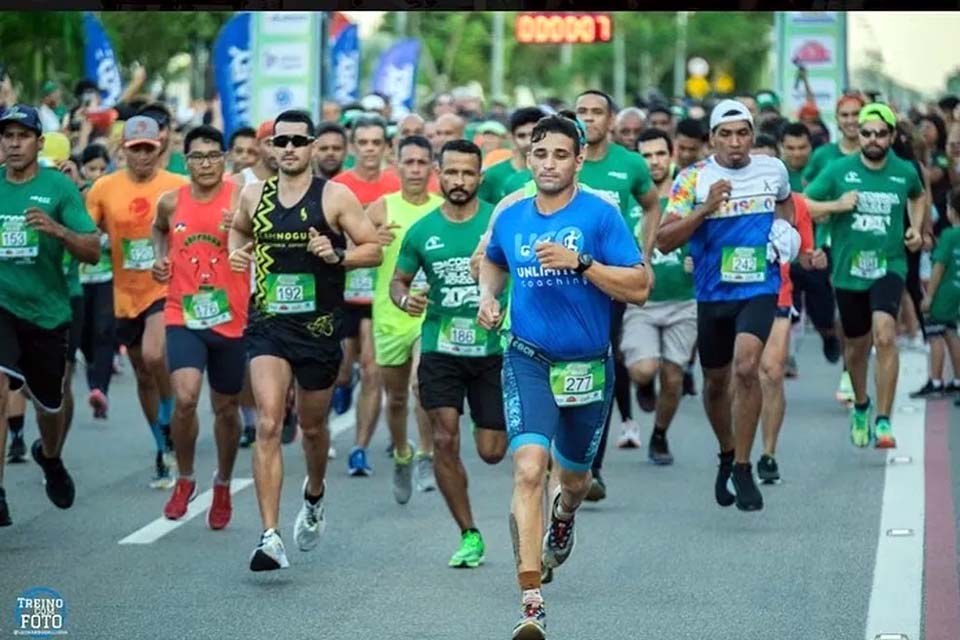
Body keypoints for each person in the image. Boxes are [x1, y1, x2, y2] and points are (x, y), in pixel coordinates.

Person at [477, 114, 650, 639]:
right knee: (529, 469)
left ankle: (564, 516)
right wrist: (488, 294)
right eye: (540, 154)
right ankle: (531, 598)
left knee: (572, 481)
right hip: (528, 356)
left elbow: (640, 285)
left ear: (578, 159)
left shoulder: (601, 214)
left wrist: (581, 265)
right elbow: (493, 260)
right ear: (529, 158)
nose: (548, 164)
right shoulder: (510, 213)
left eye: (560, 155)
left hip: (588, 367)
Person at [227, 109, 381, 571]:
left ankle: (314, 493)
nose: (290, 148)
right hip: (269, 323)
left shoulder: (335, 196)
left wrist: (335, 254)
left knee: (313, 428)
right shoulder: (254, 195)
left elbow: (372, 248)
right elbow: (238, 227)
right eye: (282, 141)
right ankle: (270, 536)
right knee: (270, 422)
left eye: (298, 141)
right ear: (271, 149)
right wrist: (239, 251)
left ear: (312, 147)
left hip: (319, 329)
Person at [657, 99, 798, 512]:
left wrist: (783, 229)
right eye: (726, 135)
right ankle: (725, 453)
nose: (735, 143)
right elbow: (665, 239)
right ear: (712, 139)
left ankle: (742, 465)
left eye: (743, 134)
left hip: (759, 287)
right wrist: (705, 209)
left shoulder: (772, 170)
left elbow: (786, 201)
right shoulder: (692, 179)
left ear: (752, 137)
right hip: (712, 294)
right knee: (716, 383)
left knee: (747, 367)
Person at [391, 139, 507, 568]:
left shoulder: (500, 222)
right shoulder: (422, 230)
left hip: (491, 348)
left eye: (468, 173)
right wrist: (406, 301)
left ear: (479, 176)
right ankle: (469, 532)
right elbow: (398, 281)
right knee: (443, 437)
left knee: (492, 451)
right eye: (452, 172)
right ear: (440, 173)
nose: (459, 181)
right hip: (440, 346)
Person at [0, 104, 100, 526]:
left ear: (39, 143)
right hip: (2, 305)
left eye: (23, 136)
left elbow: (93, 250)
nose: (13, 143)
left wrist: (58, 231)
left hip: (48, 312)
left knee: (51, 406)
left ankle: (51, 456)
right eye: (7, 136)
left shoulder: (59, 188)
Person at [805, 103, 925, 449]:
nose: (873, 140)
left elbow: (917, 196)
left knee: (885, 333)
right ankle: (862, 405)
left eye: (880, 134)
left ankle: (884, 420)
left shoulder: (905, 171)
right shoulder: (839, 170)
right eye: (866, 133)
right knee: (856, 347)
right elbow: (803, 202)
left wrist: (915, 229)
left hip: (890, 263)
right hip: (848, 269)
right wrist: (837, 206)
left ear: (891, 136)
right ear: (858, 133)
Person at [151, 125, 248, 529]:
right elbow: (158, 230)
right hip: (183, 314)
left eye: (213, 155)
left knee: (226, 407)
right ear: (184, 160)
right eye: (197, 157)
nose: (205, 163)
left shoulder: (241, 199)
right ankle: (185, 478)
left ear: (223, 159)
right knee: (186, 398)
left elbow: (265, 237)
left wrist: (247, 242)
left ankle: (222, 483)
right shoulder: (171, 202)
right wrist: (161, 259)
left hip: (233, 317)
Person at [86, 115, 187, 488]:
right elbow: (86, 233)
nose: (142, 157)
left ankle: (168, 412)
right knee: (143, 372)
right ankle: (163, 443)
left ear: (160, 148)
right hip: (124, 294)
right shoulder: (104, 188)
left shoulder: (178, 186)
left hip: (165, 287)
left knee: (154, 355)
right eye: (134, 150)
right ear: (123, 150)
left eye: (148, 149)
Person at [574, 90, 661, 501]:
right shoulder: (563, 160)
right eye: (582, 112)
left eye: (597, 113)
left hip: (609, 283)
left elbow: (650, 205)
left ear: (611, 121)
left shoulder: (630, 164)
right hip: (561, 282)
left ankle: (592, 467)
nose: (589, 119)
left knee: (598, 367)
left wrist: (643, 256)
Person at [365, 136, 444, 501]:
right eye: (408, 162)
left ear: (432, 167)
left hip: (430, 315)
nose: (415, 169)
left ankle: (427, 455)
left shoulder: (443, 210)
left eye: (421, 162)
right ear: (396, 165)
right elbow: (352, 248)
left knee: (420, 386)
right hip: (390, 314)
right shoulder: (381, 208)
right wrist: (370, 241)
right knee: (395, 398)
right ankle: (402, 453)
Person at [617, 128, 695, 461]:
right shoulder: (630, 201)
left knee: (674, 377)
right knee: (643, 369)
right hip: (641, 302)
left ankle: (660, 436)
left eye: (660, 154)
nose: (654, 162)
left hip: (685, 301)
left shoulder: (687, 196)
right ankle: (644, 384)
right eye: (646, 156)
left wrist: (699, 258)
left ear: (672, 155)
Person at [331, 116, 400, 476]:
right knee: (343, 368)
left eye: (377, 142)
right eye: (364, 142)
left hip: (381, 292)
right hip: (343, 289)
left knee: (373, 370)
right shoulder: (338, 186)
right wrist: (366, 236)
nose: (370, 149)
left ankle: (359, 448)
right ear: (353, 146)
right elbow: (325, 235)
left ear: (387, 147)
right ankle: (343, 381)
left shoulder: (397, 185)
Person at [751, 136, 819, 483]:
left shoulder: (797, 205)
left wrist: (813, 258)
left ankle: (768, 453)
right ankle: (737, 454)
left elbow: (805, 253)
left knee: (772, 373)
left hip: (778, 294)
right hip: (735, 295)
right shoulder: (729, 199)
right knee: (741, 375)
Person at [803, 92, 866, 405]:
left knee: (868, 318)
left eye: (857, 115)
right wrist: (829, 206)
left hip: (871, 245)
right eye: (845, 115)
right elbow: (806, 198)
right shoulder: (824, 156)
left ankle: (856, 368)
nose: (852, 121)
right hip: (830, 242)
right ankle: (847, 371)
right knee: (839, 310)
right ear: (837, 120)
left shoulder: (879, 154)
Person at [911, 186, 960, 398]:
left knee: (935, 334)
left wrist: (929, 297)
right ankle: (957, 380)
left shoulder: (949, 235)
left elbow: (939, 267)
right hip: (957, 292)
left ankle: (936, 380)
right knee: (951, 333)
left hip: (944, 292)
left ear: (952, 211)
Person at [78, 144, 115, 419]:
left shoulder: (112, 197)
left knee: (103, 333)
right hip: (77, 280)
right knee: (85, 336)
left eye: (103, 169)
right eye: (92, 169)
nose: (98, 174)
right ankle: (95, 378)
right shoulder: (74, 197)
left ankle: (99, 389)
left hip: (106, 277)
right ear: (82, 170)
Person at [477, 107, 544, 205]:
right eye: (521, 136)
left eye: (533, 134)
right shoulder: (493, 175)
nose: (528, 142)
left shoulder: (552, 172)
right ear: (512, 138)